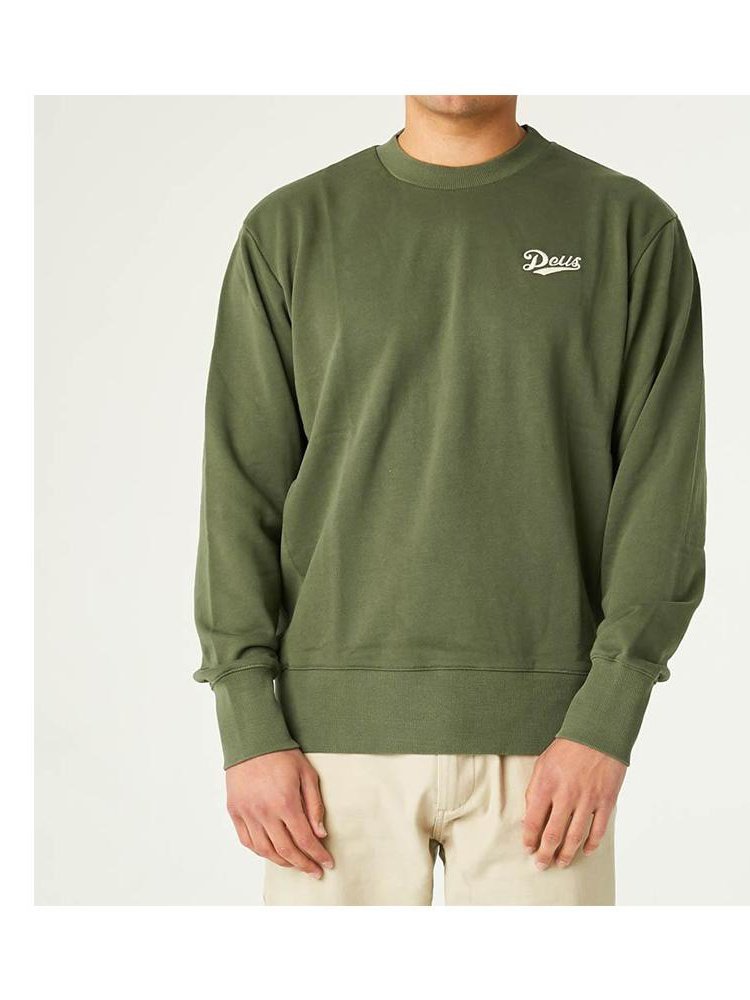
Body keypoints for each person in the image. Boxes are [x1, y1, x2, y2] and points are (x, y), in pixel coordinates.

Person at [193, 96, 706, 905]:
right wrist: (247, 723)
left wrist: (609, 716)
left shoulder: (628, 227)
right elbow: (239, 489)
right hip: (328, 753)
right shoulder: (290, 229)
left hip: (553, 748)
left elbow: (662, 496)